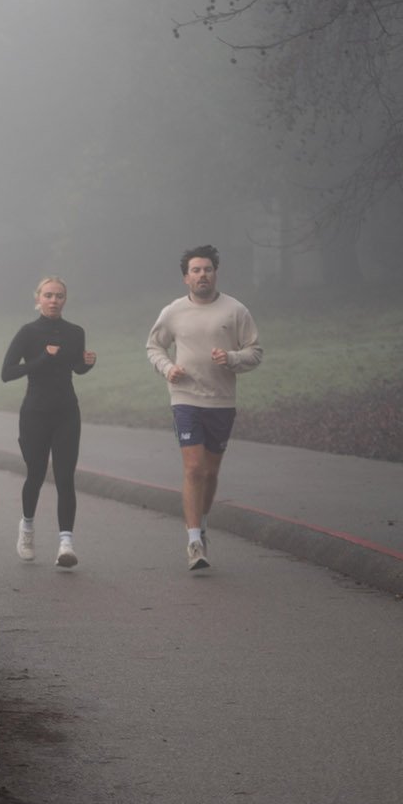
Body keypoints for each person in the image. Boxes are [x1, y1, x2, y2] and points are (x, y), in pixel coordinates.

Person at [145, 244, 263, 570]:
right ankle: (194, 541)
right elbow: (154, 346)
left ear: (215, 273)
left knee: (210, 472)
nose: (202, 275)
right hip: (185, 398)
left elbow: (255, 351)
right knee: (194, 468)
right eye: (195, 270)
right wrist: (168, 369)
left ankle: (202, 523)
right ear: (186, 278)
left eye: (207, 269)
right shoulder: (173, 312)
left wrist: (233, 358)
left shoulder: (235, 310)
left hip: (222, 401)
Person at [1, 275, 96, 566]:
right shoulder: (27, 332)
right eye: (48, 295)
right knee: (36, 475)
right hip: (35, 413)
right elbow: (7, 373)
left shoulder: (75, 332)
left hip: (67, 410)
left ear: (65, 300)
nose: (54, 300)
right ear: (38, 299)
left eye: (59, 296)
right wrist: (43, 357)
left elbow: (75, 368)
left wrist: (87, 365)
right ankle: (27, 527)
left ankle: (66, 543)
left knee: (66, 477)